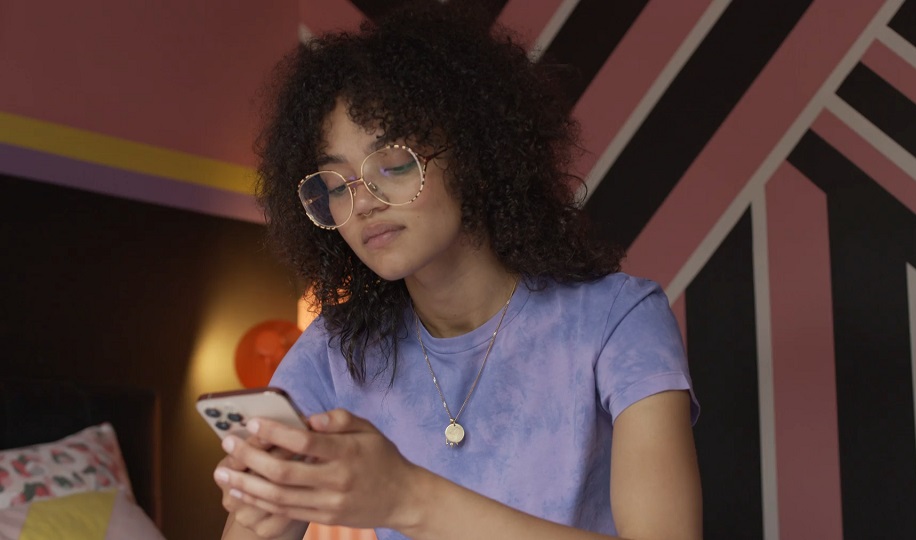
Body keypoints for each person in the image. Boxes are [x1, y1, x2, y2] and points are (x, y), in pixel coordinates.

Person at [212, 1, 702, 539]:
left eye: (393, 164)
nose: (364, 202)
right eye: (335, 185)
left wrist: (406, 498)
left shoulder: (617, 319)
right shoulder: (334, 351)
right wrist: (262, 509)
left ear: (473, 154)